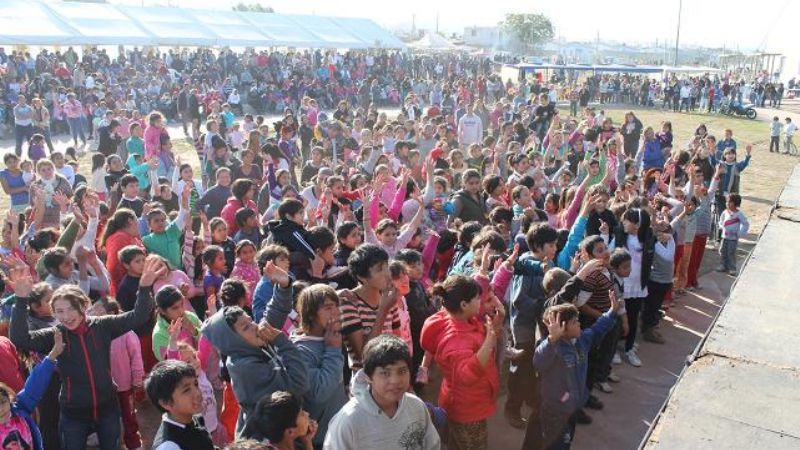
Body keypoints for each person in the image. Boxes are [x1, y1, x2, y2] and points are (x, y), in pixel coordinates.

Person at [9, 256, 164, 450]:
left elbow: (138, 316)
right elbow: (20, 339)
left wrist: (144, 288)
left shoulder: (103, 326)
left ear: (84, 306)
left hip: (108, 407)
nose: (65, 317)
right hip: (74, 413)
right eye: (59, 311)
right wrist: (21, 300)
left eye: (71, 309)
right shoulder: (56, 335)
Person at [420, 275, 504, 449]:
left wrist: (494, 326)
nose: (480, 302)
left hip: (462, 401)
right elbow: (467, 375)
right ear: (464, 305)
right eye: (477, 299)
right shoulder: (457, 340)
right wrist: (490, 338)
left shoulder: (457, 317)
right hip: (467, 410)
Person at [532, 295, 621, 449]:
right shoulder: (553, 347)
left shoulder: (581, 341)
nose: (579, 323)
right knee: (556, 444)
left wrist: (612, 311)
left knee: (567, 439)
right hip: (555, 411)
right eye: (575, 322)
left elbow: (597, 329)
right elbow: (538, 362)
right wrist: (552, 339)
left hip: (573, 406)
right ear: (562, 328)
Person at [323, 334, 440, 450]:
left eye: (402, 371)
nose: (395, 381)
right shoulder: (348, 421)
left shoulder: (416, 406)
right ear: (368, 377)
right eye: (385, 373)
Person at [289, 284, 347, 449]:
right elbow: (319, 393)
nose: (336, 312)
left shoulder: (330, 337)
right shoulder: (301, 350)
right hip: (319, 438)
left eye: (337, 306)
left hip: (339, 430)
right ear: (311, 314)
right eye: (328, 308)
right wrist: (334, 350)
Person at [0, 328, 64, 450]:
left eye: (2, 402)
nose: (1, 409)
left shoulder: (19, 408)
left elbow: (34, 385)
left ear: (9, 398)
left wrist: (52, 356)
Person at [145, 360, 215, 450]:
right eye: (186, 390)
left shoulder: (194, 418)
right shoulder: (169, 446)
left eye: (196, 384)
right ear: (166, 403)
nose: (197, 393)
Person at [717, 193, 749, 275]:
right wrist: (722, 227)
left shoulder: (739, 214)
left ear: (736, 203)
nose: (727, 203)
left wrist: (740, 233)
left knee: (731, 252)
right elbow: (721, 221)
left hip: (733, 238)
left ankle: (732, 268)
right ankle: (723, 265)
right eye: (727, 201)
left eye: (730, 202)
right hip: (724, 237)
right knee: (722, 251)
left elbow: (745, 224)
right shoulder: (725, 212)